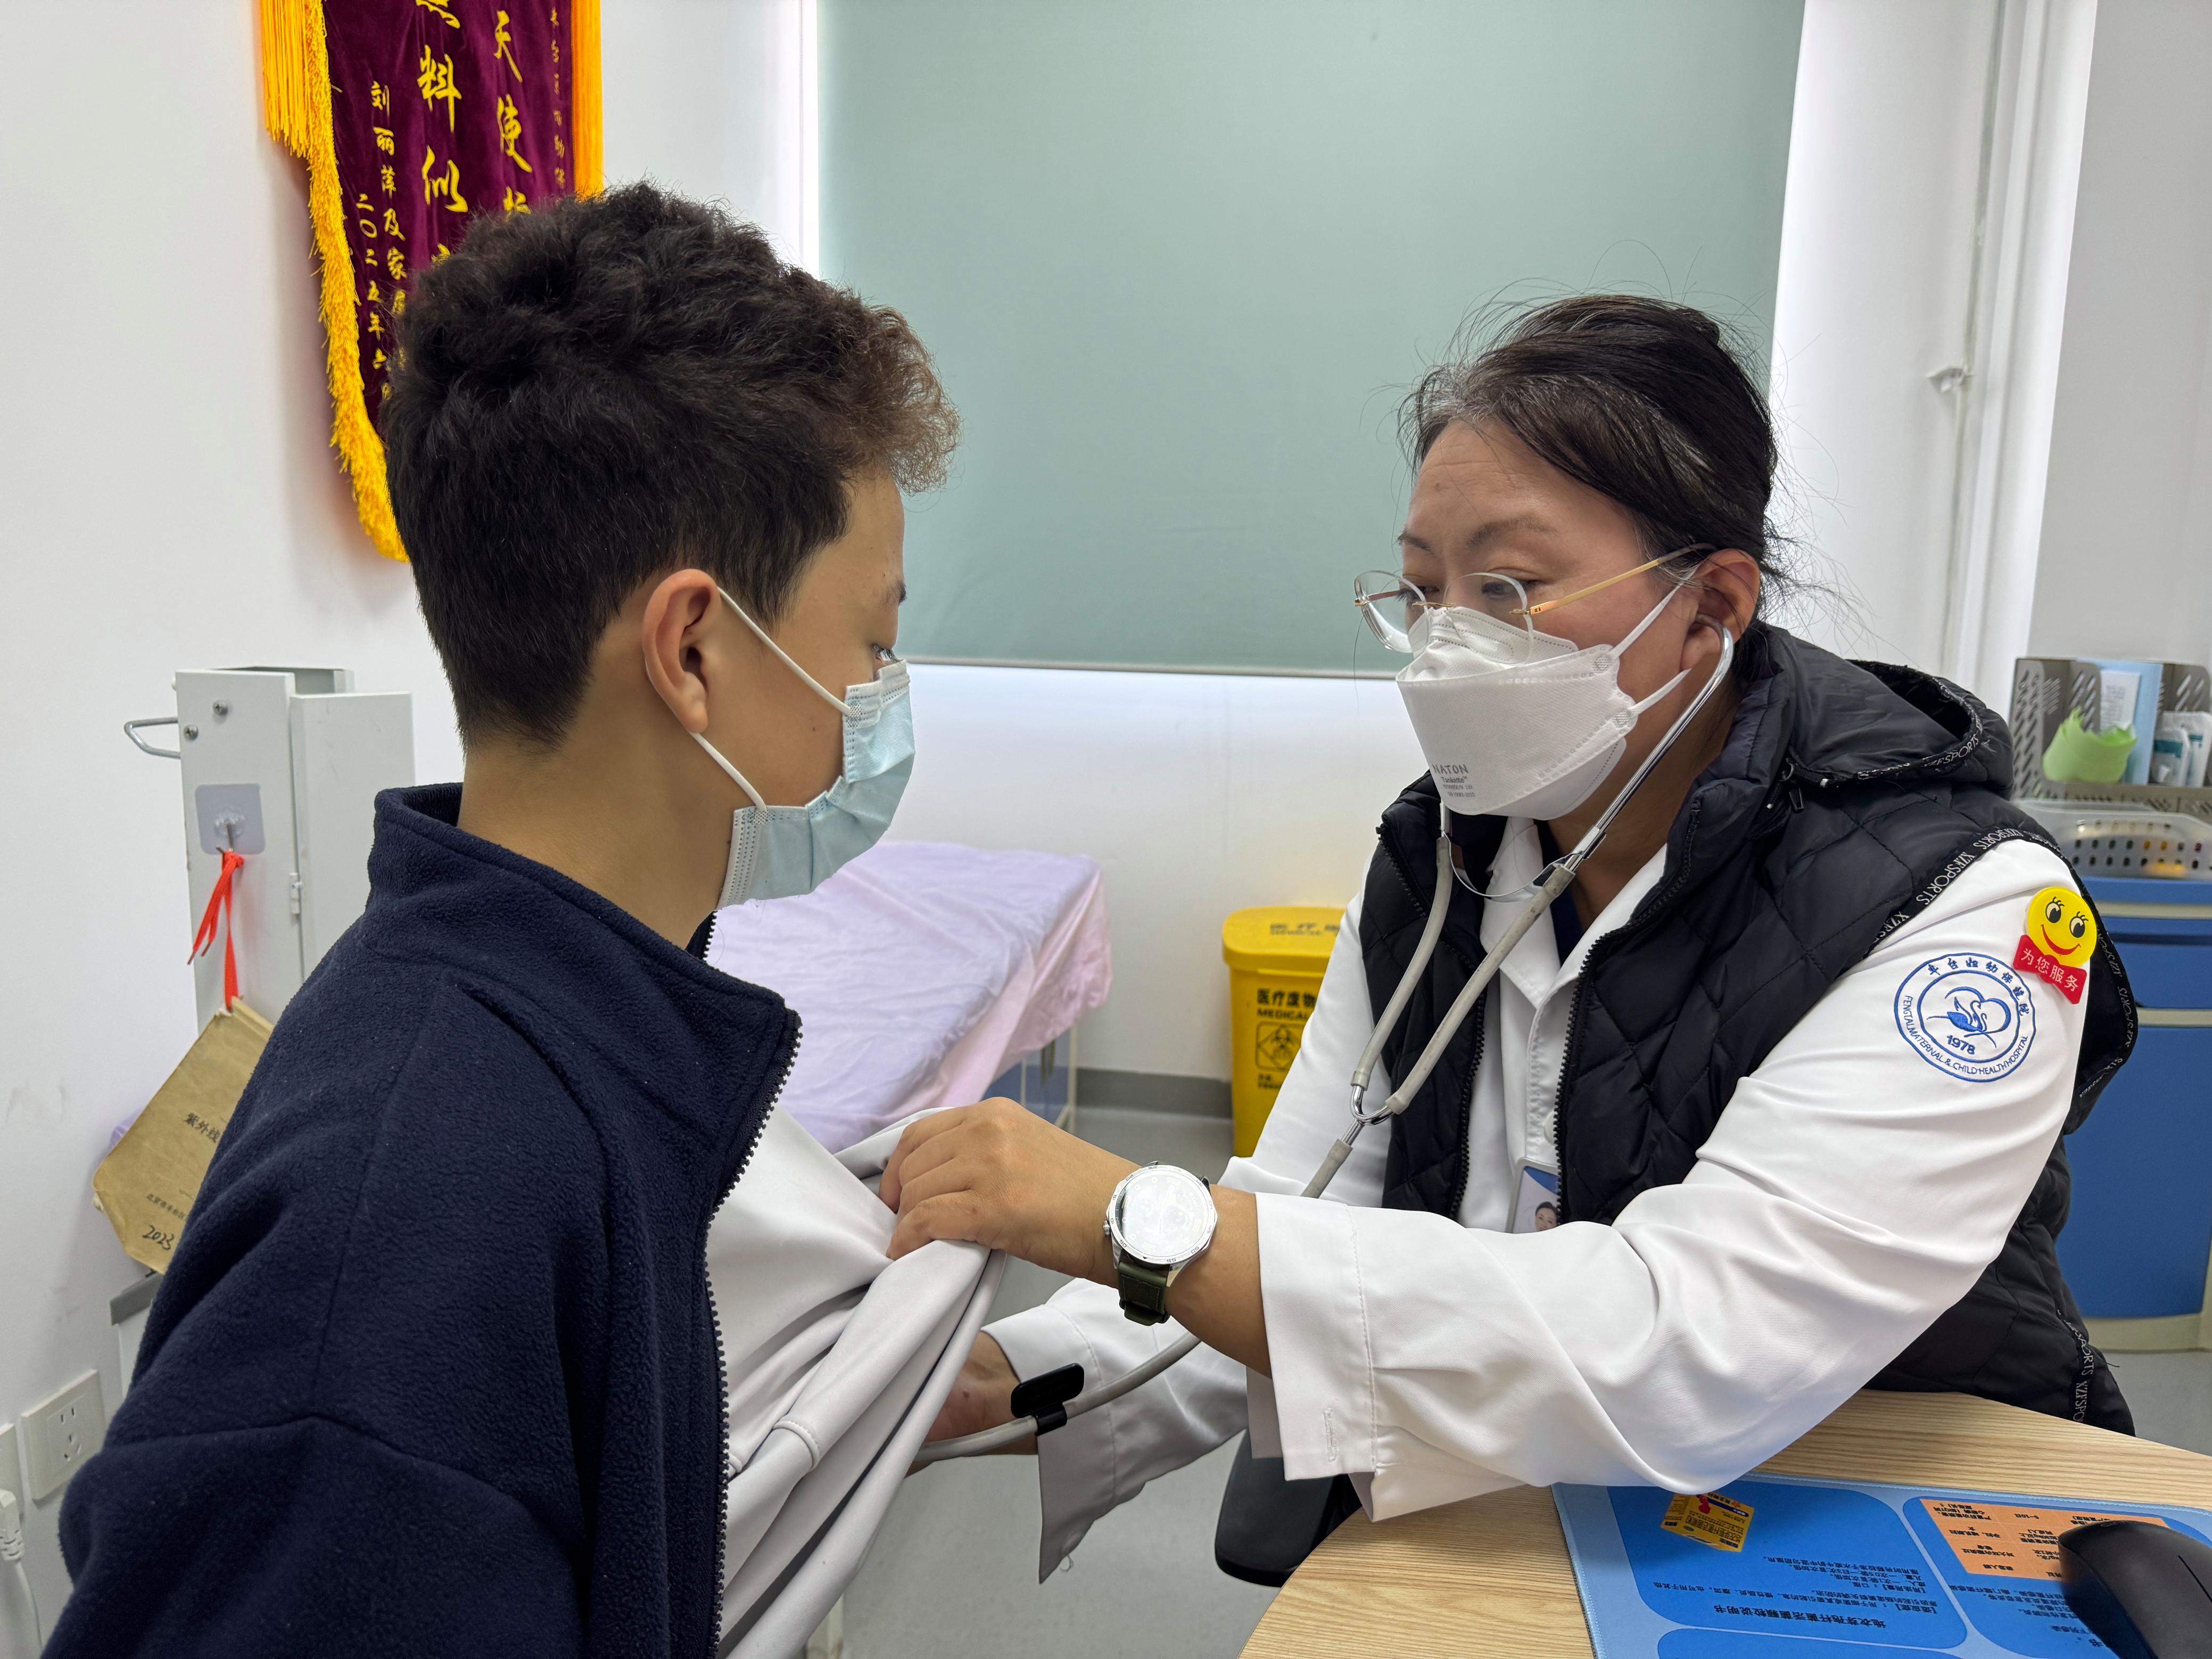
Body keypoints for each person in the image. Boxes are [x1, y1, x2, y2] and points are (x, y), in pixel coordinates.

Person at [884, 295, 2136, 1578]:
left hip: (1865, 1532)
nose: (1447, 644)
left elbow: (1690, 1345)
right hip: (1533, 1504)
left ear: (1708, 604)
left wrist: (1134, 1216)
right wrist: (999, 1379)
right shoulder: (1442, 862)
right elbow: (1300, 1213)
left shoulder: (1959, 905)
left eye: (1509, 588)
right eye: (1424, 590)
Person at [51, 183, 956, 1656]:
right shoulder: (406, 1218)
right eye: (874, 641)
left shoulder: (568, 1042)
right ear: (692, 648)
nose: (880, 700)